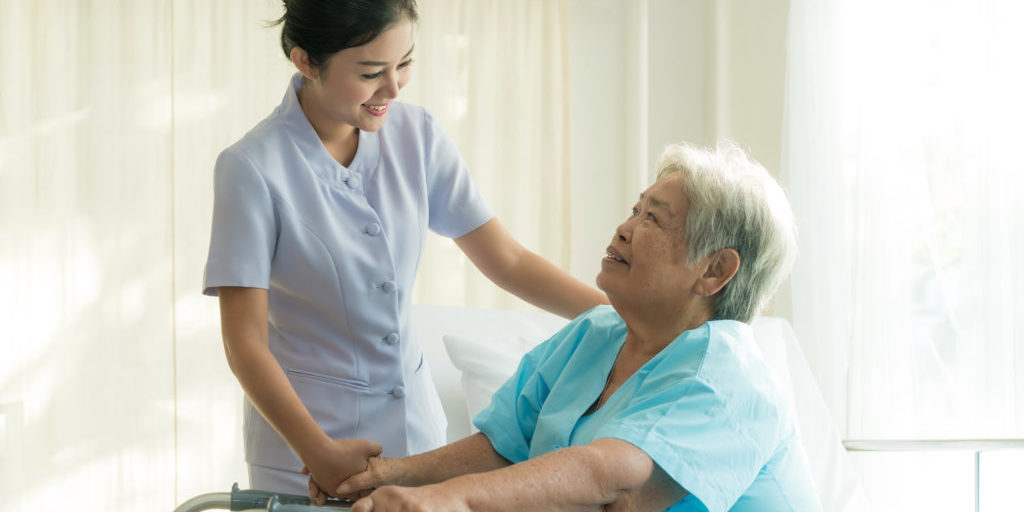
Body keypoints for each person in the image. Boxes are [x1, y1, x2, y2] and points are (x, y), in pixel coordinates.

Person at [202, 0, 607, 497]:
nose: (393, 88)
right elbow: (244, 343)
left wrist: (626, 317)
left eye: (405, 63)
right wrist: (318, 452)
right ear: (306, 62)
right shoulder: (252, 167)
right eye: (372, 72)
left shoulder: (417, 135)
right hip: (306, 455)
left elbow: (509, 261)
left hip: (419, 443)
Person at [325, 141, 822, 511]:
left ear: (714, 270)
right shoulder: (596, 334)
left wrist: (449, 500)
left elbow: (614, 482)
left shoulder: (730, 375)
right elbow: (504, 450)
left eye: (654, 220)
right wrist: (385, 475)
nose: (625, 227)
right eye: (634, 210)